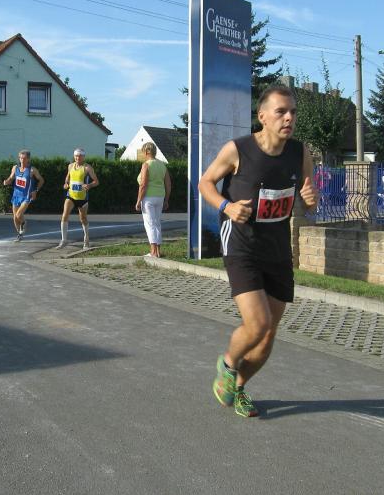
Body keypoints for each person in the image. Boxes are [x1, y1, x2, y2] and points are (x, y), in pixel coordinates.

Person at [198, 85, 317, 418]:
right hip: (241, 245)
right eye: (281, 112)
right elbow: (205, 183)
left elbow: (309, 199)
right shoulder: (238, 150)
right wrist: (227, 206)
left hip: (277, 250)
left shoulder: (300, 153)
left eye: (293, 112)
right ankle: (228, 363)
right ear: (262, 116)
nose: (289, 118)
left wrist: (311, 200)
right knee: (258, 323)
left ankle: (238, 387)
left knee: (267, 337)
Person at [55, 148, 99, 249]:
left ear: (83, 157)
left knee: (83, 218)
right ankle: (64, 240)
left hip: (82, 197)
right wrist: (66, 184)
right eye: (76, 156)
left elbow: (96, 181)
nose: (77, 158)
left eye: (79, 156)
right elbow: (67, 178)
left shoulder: (87, 167)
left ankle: (86, 238)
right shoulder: (70, 166)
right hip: (71, 195)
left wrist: (89, 185)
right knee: (64, 215)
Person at [135, 142, 171, 257]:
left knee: (150, 224)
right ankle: (158, 251)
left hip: (148, 198)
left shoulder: (146, 165)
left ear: (146, 152)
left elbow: (143, 185)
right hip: (160, 197)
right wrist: (166, 200)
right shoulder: (162, 165)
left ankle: (153, 252)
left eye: (143, 151)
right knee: (157, 223)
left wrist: (138, 201)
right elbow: (168, 185)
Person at [3, 150, 44, 242]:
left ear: (28, 159)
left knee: (19, 215)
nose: (22, 160)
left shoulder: (32, 170)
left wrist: (36, 190)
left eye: (24, 158)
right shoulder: (15, 168)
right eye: (20, 158)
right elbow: (11, 178)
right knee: (15, 217)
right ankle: (19, 234)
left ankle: (24, 222)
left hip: (26, 196)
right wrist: (6, 181)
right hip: (16, 195)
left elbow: (41, 180)